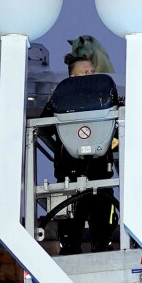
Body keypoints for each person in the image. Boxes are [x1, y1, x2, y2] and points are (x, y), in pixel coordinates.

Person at [47, 55, 118, 253]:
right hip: (69, 176)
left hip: (100, 174)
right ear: (71, 77)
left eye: (91, 72)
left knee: (103, 228)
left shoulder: (104, 98)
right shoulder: (59, 98)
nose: (90, 76)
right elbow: (43, 127)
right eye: (84, 73)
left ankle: (104, 255)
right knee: (69, 231)